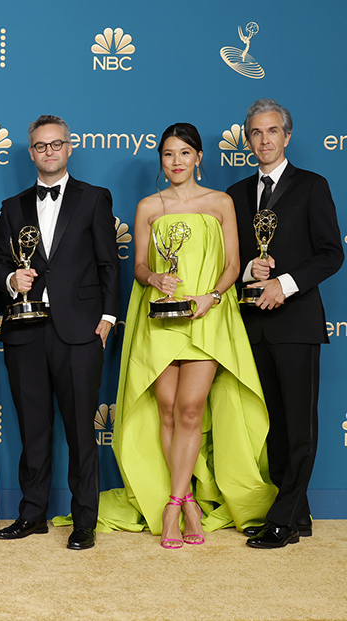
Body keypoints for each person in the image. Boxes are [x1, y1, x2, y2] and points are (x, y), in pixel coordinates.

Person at [99, 122, 275, 548]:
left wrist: (211, 297)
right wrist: (154, 278)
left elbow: (234, 264)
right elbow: (138, 266)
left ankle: (174, 506)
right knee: (165, 410)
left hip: (207, 316)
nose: (175, 162)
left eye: (183, 153)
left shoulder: (221, 202)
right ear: (160, 161)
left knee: (191, 409)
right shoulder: (147, 207)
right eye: (167, 154)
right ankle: (191, 497)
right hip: (159, 316)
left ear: (198, 157)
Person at [0, 115, 120, 551]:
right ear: (31, 152)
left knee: (83, 431)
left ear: (70, 148)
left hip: (80, 332)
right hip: (25, 332)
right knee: (33, 428)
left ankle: (85, 520)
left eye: (56, 144)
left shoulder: (95, 198)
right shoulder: (11, 207)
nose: (48, 152)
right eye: (40, 146)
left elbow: (109, 263)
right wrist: (11, 281)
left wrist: (108, 319)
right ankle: (33, 513)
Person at [227, 99, 343, 549]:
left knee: (299, 424)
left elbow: (332, 253)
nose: (264, 140)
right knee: (272, 425)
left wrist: (286, 283)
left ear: (287, 136)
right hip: (254, 324)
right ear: (248, 139)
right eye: (256, 133)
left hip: (296, 324)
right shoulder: (236, 194)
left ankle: (284, 517)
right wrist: (250, 274)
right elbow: (231, 261)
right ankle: (296, 511)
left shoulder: (312, 186)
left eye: (272, 131)